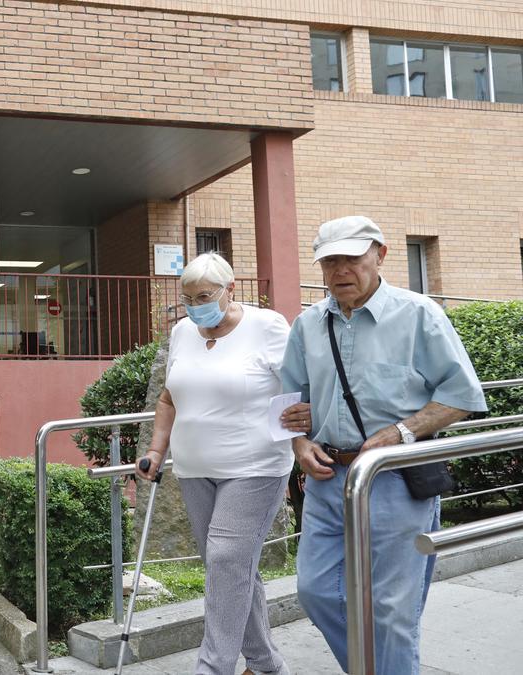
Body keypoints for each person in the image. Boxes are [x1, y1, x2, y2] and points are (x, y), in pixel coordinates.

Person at [279, 216, 487, 674]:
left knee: (391, 609)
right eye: (329, 260)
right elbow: (289, 400)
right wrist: (297, 443)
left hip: (394, 479)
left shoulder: (418, 314)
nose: (339, 270)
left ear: (380, 254)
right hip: (328, 477)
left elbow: (461, 396)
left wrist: (400, 432)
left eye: (351, 257)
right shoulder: (309, 324)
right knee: (315, 591)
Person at [137, 252, 299, 675]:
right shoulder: (181, 332)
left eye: (203, 296)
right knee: (231, 565)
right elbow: (168, 397)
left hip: (255, 466)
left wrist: (301, 446)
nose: (194, 307)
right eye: (187, 299)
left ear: (230, 290)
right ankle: (266, 664)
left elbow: (299, 391)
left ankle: (214, 666)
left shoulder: (267, 327)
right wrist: (157, 450)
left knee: (227, 559)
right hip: (194, 468)